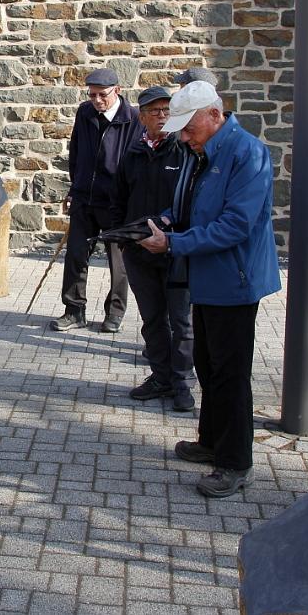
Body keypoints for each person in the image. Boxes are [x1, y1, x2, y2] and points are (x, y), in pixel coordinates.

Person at [139, 80, 281, 498]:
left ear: (215, 115)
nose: (183, 136)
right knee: (207, 361)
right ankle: (211, 441)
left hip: (235, 280)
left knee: (230, 373)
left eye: (189, 128)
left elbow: (237, 224)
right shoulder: (201, 150)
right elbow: (191, 204)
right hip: (208, 275)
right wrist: (167, 220)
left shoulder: (247, 153)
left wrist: (174, 242)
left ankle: (236, 463)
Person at [111, 86, 195, 412]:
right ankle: (161, 377)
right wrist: (122, 236)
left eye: (166, 110)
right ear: (142, 116)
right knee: (153, 319)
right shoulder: (132, 153)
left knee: (182, 321)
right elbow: (117, 198)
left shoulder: (184, 151)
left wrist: (176, 238)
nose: (161, 116)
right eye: (154, 111)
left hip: (175, 250)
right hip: (139, 251)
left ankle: (182, 382)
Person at [51, 67, 140, 333]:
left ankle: (114, 313)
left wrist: (127, 202)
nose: (97, 100)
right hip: (84, 199)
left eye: (103, 95)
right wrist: (74, 187)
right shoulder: (85, 112)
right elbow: (76, 151)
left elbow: (134, 164)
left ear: (118, 91)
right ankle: (74, 310)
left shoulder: (133, 118)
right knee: (76, 256)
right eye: (92, 95)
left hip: (115, 203)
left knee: (118, 263)